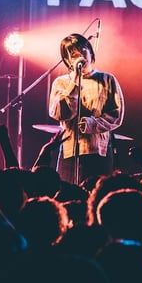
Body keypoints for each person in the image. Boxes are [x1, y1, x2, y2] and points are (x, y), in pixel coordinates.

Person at [48, 33, 124, 185]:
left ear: (90, 51)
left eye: (83, 51)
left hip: (99, 151)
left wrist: (92, 123)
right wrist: (75, 81)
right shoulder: (61, 83)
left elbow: (116, 115)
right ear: (67, 60)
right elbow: (60, 113)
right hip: (70, 150)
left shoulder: (107, 79)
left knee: (98, 191)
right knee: (67, 192)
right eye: (74, 55)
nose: (80, 56)